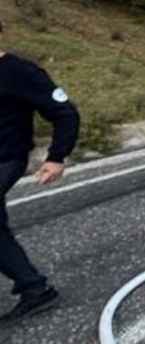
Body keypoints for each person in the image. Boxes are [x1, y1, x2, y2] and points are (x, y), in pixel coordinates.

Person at [1, 18, 80, 321]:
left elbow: (65, 112)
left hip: (6, 158)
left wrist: (56, 156)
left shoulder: (21, 72)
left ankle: (34, 287)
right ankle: (34, 288)